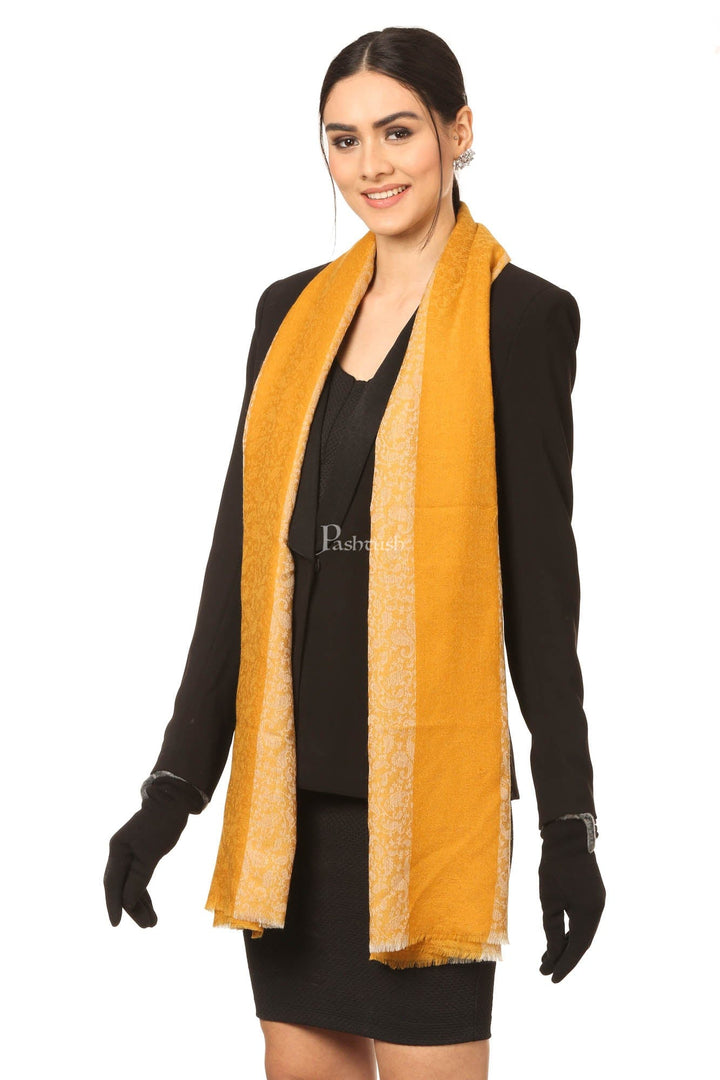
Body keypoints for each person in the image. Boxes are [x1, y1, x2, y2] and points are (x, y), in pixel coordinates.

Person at [104, 26, 606, 1080]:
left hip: (431, 814)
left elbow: (540, 591)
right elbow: (238, 567)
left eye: (398, 131)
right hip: (292, 810)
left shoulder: (521, 319)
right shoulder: (288, 314)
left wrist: (570, 822)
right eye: (344, 139)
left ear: (458, 134)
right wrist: (170, 790)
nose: (371, 164)